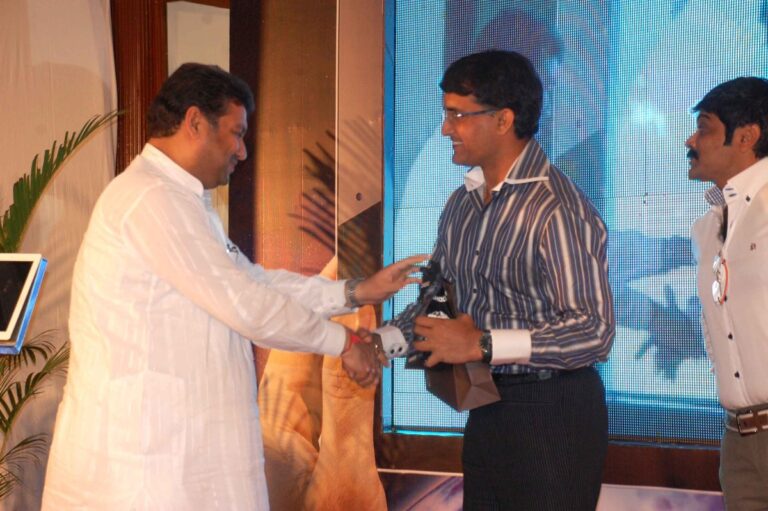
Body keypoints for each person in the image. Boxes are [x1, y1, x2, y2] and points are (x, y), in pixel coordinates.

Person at [41, 63, 423, 510]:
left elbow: (250, 281)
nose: (242, 151)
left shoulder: (180, 199)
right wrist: (343, 343)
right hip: (144, 467)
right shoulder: (152, 199)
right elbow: (246, 305)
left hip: (175, 459)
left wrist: (354, 292)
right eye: (236, 133)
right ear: (195, 122)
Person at [377, 50, 615, 510]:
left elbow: (594, 331)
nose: (446, 128)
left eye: (458, 115)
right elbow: (436, 304)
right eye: (446, 114)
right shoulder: (461, 203)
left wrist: (482, 344)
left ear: (504, 119)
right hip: (486, 404)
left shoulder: (557, 208)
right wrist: (379, 345)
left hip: (555, 413)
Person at [687, 77, 768, 510]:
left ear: (747, 137)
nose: (691, 139)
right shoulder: (707, 226)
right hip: (737, 437)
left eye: (704, 127)